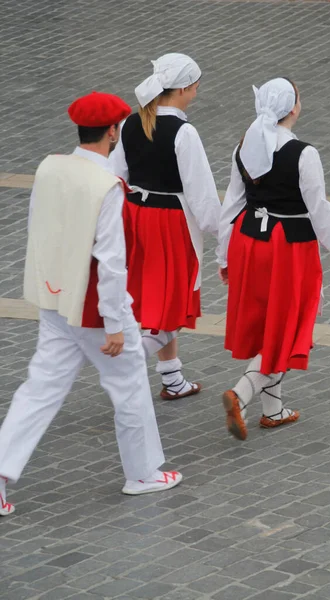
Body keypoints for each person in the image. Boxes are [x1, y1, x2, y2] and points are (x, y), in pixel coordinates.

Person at [0, 91, 183, 517]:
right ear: (114, 131)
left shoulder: (49, 167)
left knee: (40, 389)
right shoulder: (108, 186)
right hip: (95, 310)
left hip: (55, 298)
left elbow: (38, 228)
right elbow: (112, 264)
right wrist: (117, 323)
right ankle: (141, 474)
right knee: (130, 386)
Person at [217, 77, 330, 441]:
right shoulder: (304, 154)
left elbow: (232, 202)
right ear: (294, 108)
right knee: (289, 326)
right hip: (289, 245)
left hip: (248, 241)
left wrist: (223, 255)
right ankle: (241, 394)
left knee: (268, 324)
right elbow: (319, 211)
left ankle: (273, 410)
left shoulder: (243, 146)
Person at [110, 53, 221, 400]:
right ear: (185, 88)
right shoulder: (183, 131)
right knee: (171, 305)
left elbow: (116, 176)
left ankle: (172, 379)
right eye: (196, 85)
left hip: (136, 217)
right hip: (171, 222)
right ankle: (126, 366)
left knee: (156, 301)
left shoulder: (131, 122)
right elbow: (201, 192)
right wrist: (224, 235)